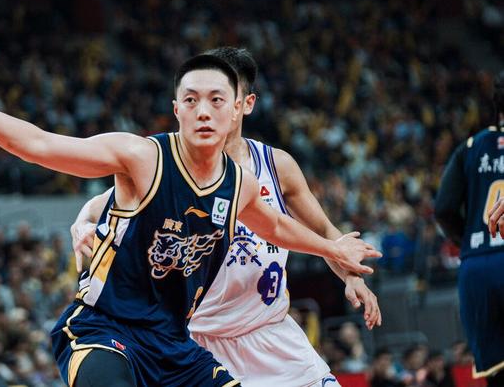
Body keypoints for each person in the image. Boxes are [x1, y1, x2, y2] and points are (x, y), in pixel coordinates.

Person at [0, 26, 380, 387]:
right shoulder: (141, 157)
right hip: (107, 329)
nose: (204, 111)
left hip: (175, 344)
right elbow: (40, 145)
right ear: (176, 109)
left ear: (238, 110)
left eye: (216, 101)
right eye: (191, 101)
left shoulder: (242, 182)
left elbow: (276, 227)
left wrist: (333, 250)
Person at [70, 47, 381, 387]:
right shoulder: (172, 165)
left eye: (218, 98)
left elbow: (325, 231)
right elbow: (101, 202)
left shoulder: (276, 166)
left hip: (271, 335)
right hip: (196, 341)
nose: (208, 108)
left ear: (243, 104)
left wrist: (351, 276)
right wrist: (82, 223)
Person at [436, 72, 504, 386]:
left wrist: (469, 242)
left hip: (477, 267)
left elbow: (443, 209)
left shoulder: (470, 147)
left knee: (497, 372)